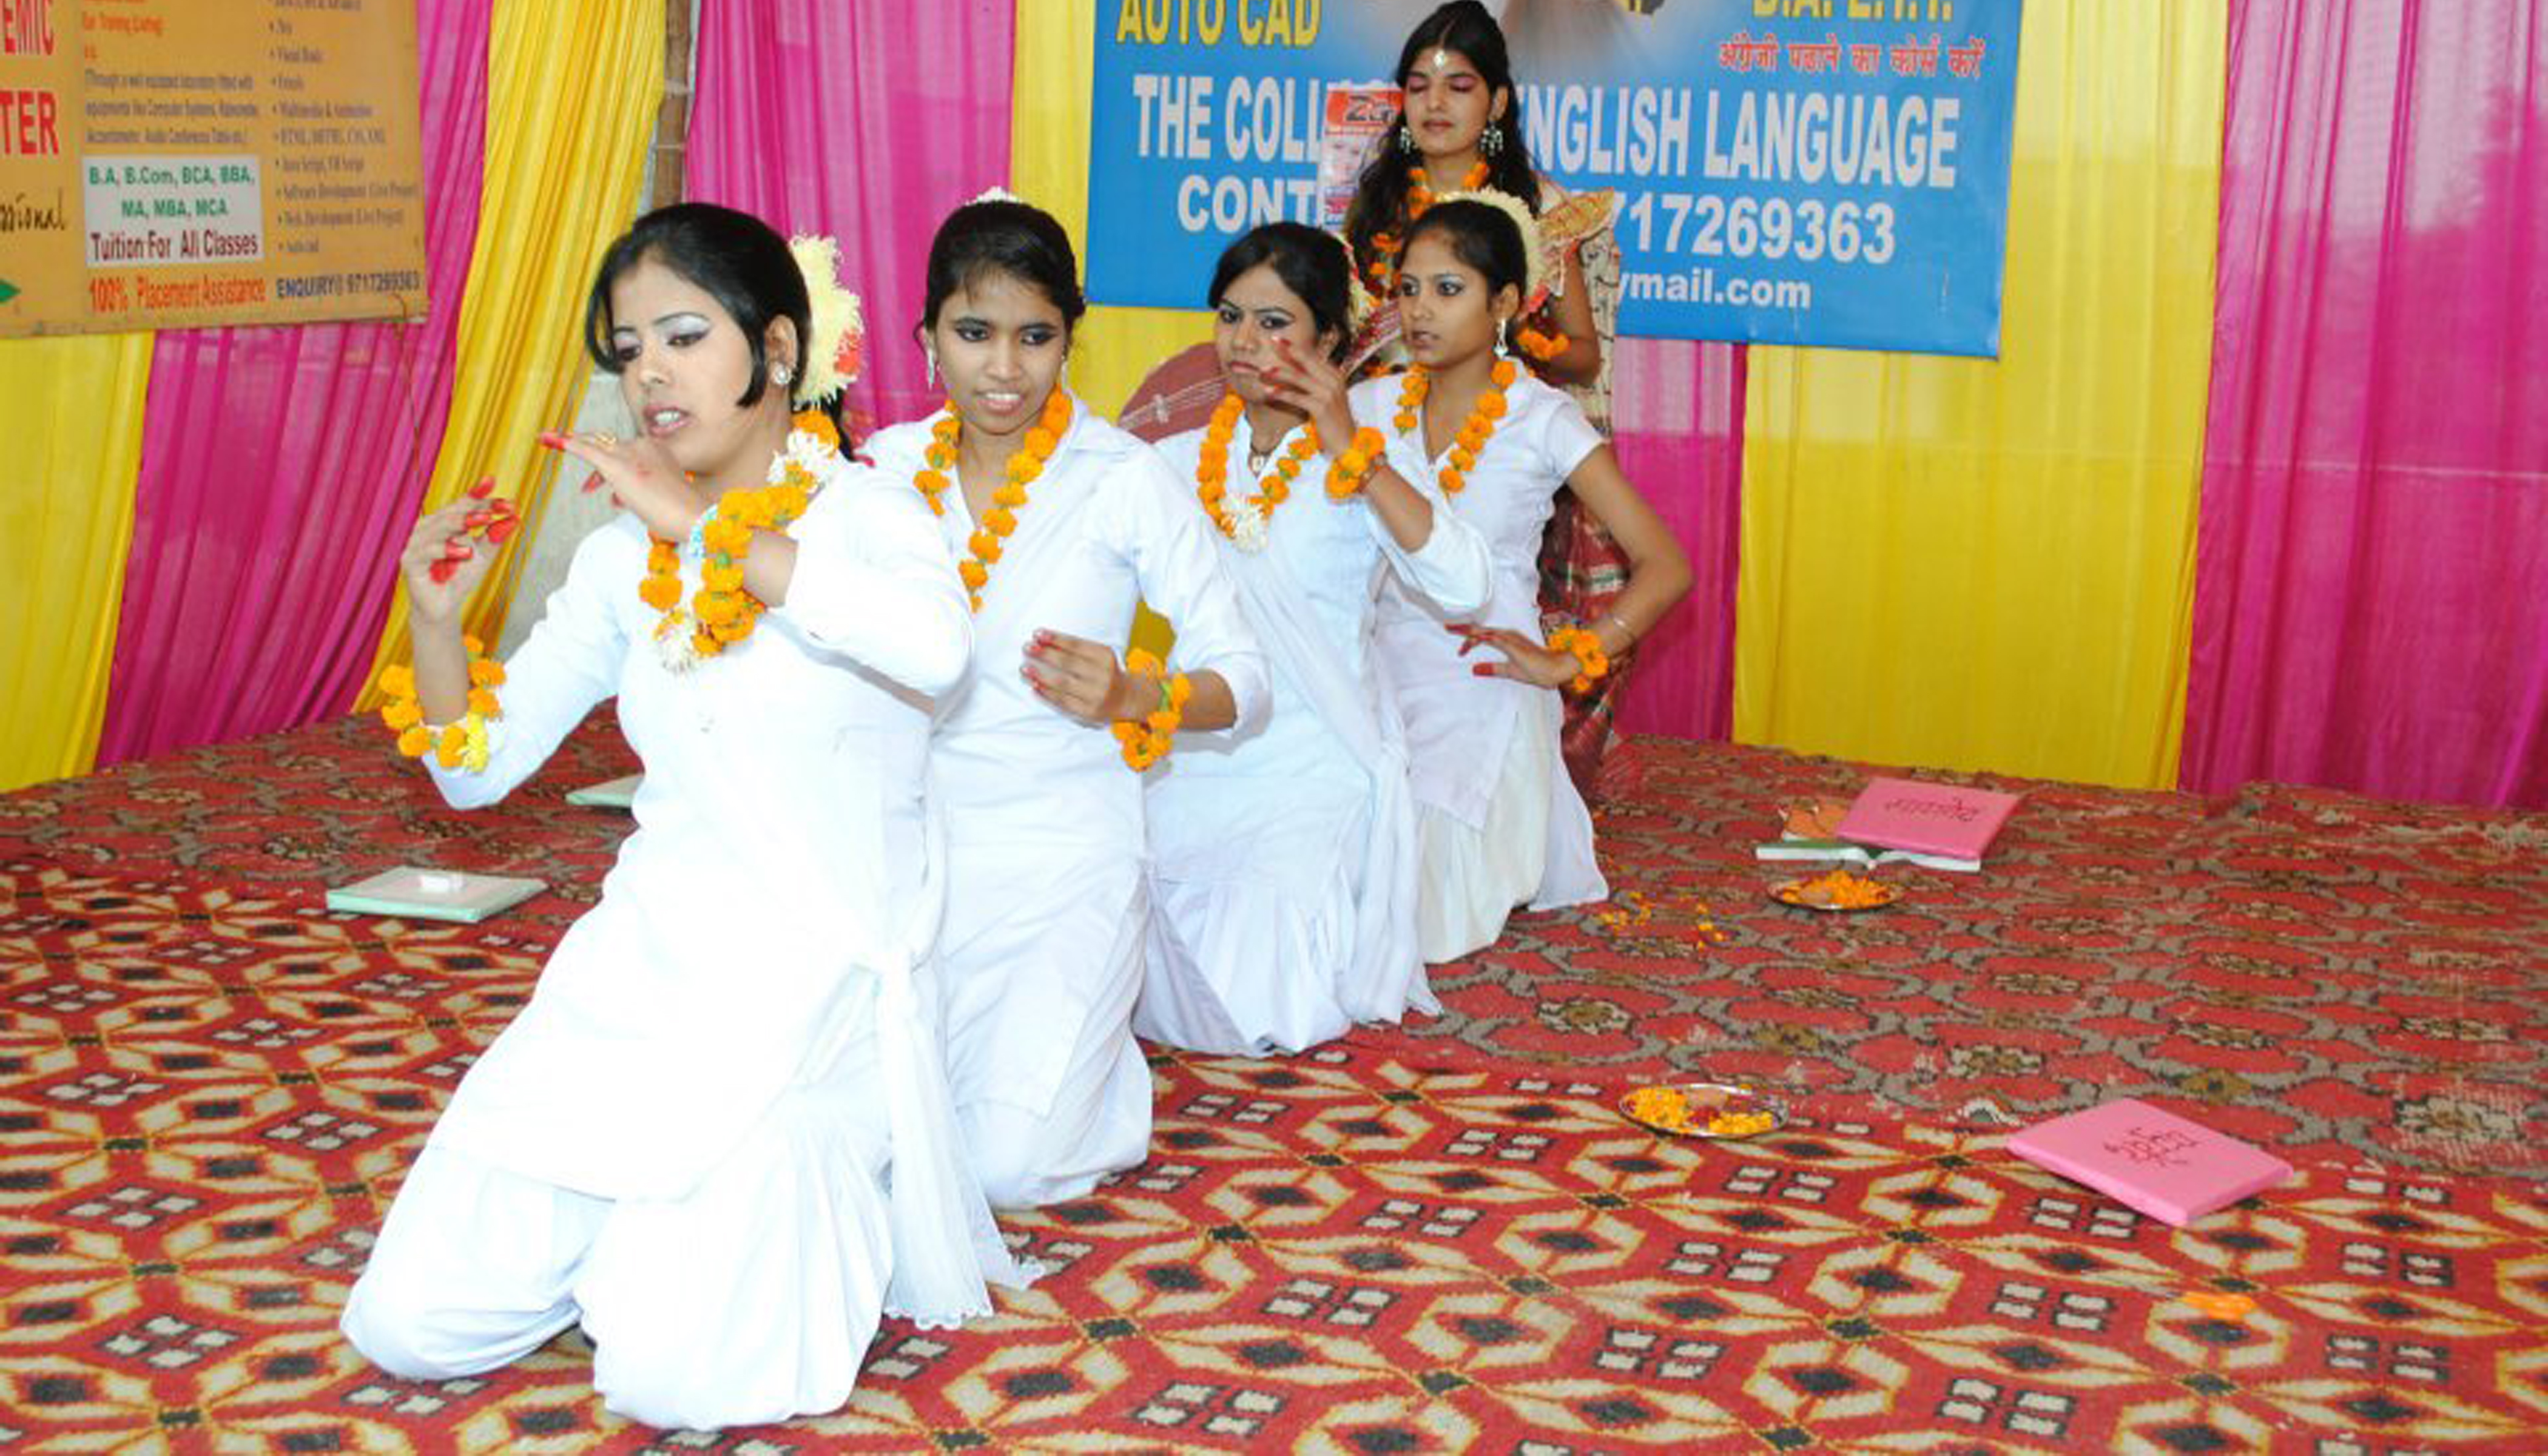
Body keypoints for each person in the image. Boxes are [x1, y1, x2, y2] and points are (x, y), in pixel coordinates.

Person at [339, 203, 1025, 1431]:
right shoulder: (622, 565)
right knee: (409, 1327)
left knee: (673, 1375)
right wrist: (435, 624)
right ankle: (623, 1216)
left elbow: (938, 652)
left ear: (773, 352)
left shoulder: (869, 522)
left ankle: (713, 1220)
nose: (647, 371)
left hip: (815, 991)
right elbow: (473, 772)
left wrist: (704, 534)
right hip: (643, 979)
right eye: (628, 347)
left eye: (680, 335)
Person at [864, 194, 1268, 1208]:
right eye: (975, 334)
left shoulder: (1123, 479)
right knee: (862, 1143)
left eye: (1036, 336)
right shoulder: (882, 471)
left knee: (1005, 1168)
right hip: (907, 854)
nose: (1005, 369)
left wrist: (1139, 690)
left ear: (1068, 343)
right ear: (927, 343)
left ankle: (1102, 1074)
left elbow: (1248, 684)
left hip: (1066, 855)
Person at [1138, 222, 1492, 1056]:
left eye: (1275, 322)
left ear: (1330, 339)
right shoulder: (1177, 462)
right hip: (1198, 743)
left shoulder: (1369, 458)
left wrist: (1351, 450)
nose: (1246, 343)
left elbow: (1466, 585)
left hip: (1315, 756)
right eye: (1230, 317)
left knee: (1254, 999)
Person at [1356, 194, 1691, 963]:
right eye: (1408, 289)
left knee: (1415, 919)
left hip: (1485, 671)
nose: (1420, 312)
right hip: (1372, 664)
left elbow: (1665, 565)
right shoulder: (1367, 408)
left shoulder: (1542, 418)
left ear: (1505, 301)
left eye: (1448, 290)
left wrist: (1567, 660)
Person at [1342, 0, 1637, 798]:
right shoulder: (1372, 204)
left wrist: (1514, 343)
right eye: (1419, 85)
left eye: (1459, 85)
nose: (1435, 104)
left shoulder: (1538, 211)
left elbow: (1580, 350)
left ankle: (1514, 784)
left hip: (1494, 438)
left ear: (1498, 103)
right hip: (1387, 443)